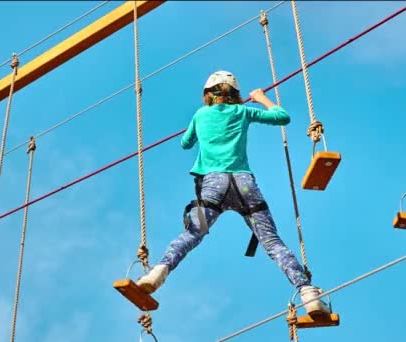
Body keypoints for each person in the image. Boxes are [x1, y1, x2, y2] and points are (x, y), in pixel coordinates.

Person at [136, 71, 330, 316]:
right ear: (235, 94)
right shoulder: (243, 112)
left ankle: (159, 272)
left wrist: (199, 130)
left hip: (213, 186)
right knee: (271, 241)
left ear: (207, 95)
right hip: (244, 184)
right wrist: (261, 98)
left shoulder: (200, 115)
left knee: (194, 233)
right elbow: (282, 117)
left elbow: (185, 143)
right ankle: (307, 292)